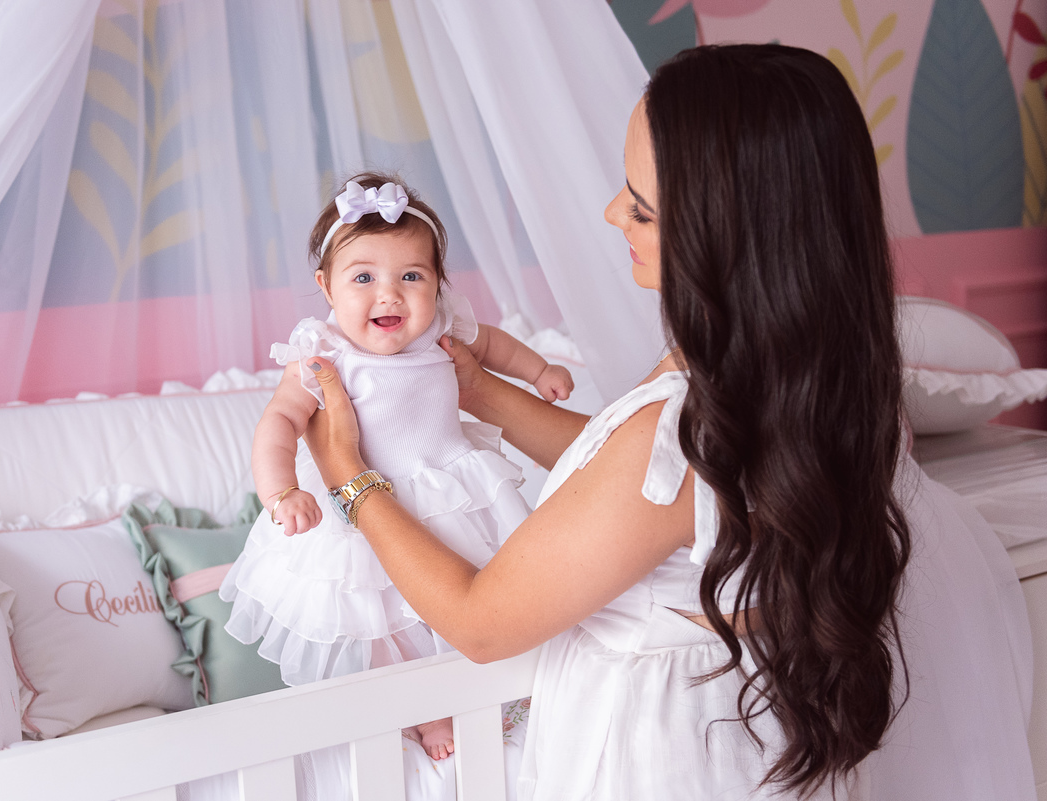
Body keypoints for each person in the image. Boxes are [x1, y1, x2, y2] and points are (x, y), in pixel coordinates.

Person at [300, 45, 1036, 799]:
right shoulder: (800, 377)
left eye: (641, 205)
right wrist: (484, 393)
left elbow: (480, 622)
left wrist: (349, 475)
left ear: (726, 232)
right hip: (749, 735)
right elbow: (623, 483)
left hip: (661, 755)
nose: (612, 213)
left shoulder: (685, 432)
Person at [219, 171, 574, 761]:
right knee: (382, 619)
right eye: (363, 278)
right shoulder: (322, 352)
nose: (389, 295)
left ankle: (494, 692)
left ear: (438, 283)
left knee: (485, 589)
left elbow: (494, 347)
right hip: (364, 510)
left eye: (412, 276)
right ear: (326, 286)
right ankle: (424, 713)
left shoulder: (441, 328)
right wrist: (281, 492)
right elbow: (279, 421)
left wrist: (539, 372)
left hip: (453, 491)